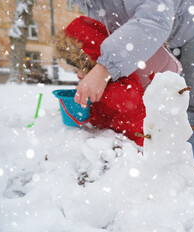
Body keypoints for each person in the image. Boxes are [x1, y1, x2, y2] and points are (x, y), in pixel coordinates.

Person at [72, 0, 194, 185]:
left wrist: (105, 67)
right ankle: (166, 174)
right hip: (156, 21)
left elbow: (154, 20)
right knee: (157, 96)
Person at [54, 16, 146, 146]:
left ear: (92, 63)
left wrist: (99, 91)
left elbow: (129, 99)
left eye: (81, 70)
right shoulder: (94, 81)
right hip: (110, 142)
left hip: (133, 144)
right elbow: (99, 112)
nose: (79, 76)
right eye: (75, 72)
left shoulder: (122, 74)